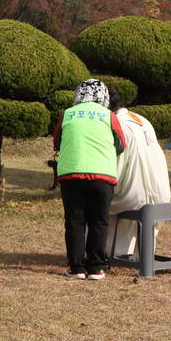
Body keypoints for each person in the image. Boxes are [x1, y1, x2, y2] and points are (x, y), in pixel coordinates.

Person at [52, 79, 126, 280]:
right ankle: (96, 267)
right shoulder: (109, 116)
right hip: (103, 175)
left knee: (75, 221)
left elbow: (57, 141)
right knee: (99, 221)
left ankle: (76, 268)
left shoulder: (67, 114)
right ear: (104, 97)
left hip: (71, 174)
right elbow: (121, 144)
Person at [107, 89, 171, 257]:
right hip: (161, 194)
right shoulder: (142, 120)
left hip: (134, 196)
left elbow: (118, 166)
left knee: (95, 200)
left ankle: (108, 252)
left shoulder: (115, 124)